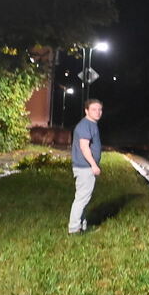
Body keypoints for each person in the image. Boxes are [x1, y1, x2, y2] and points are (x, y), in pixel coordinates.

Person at [68, 98, 103, 235]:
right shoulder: (85, 125)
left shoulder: (91, 124)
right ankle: (74, 229)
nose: (98, 112)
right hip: (84, 168)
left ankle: (82, 226)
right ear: (86, 110)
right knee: (82, 198)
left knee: (84, 198)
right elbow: (84, 147)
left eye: (100, 109)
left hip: (85, 167)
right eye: (94, 109)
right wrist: (94, 165)